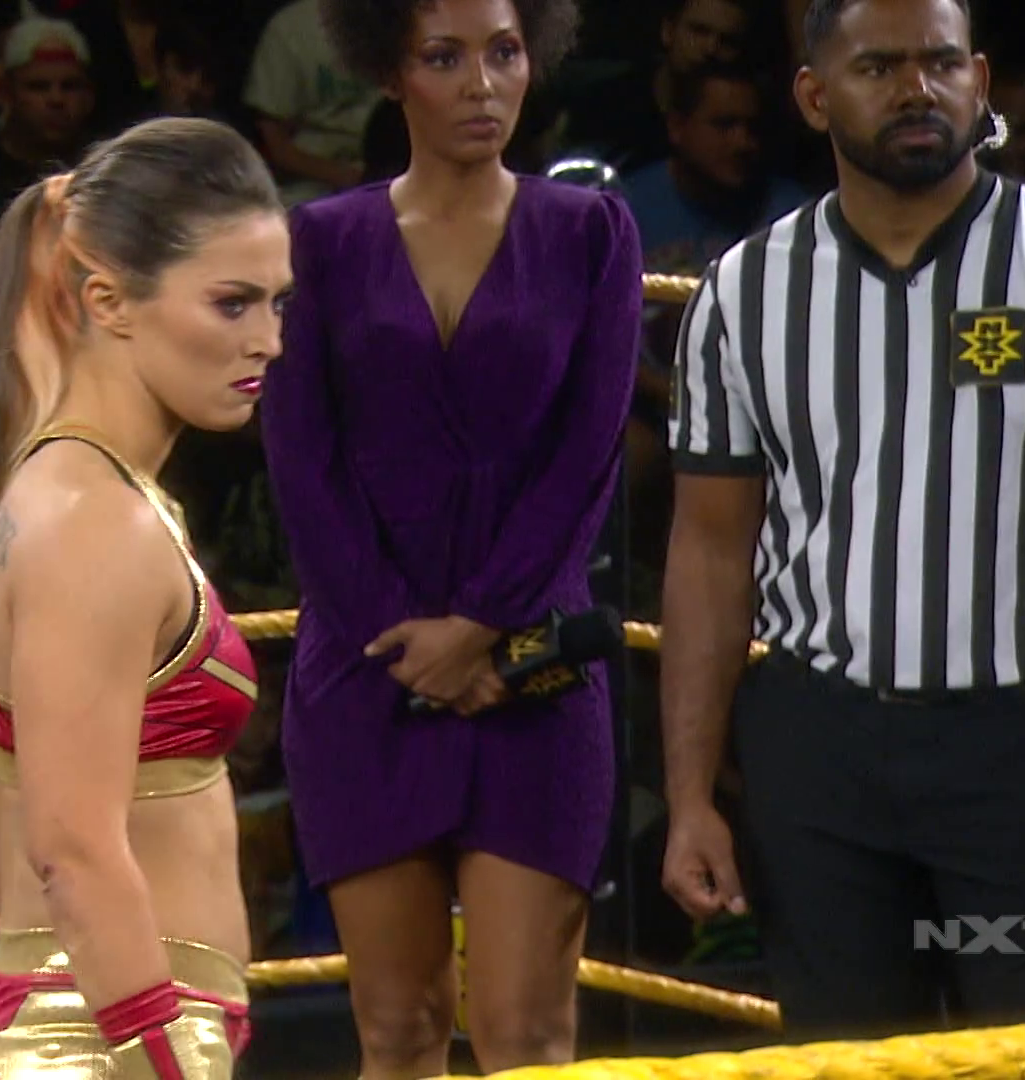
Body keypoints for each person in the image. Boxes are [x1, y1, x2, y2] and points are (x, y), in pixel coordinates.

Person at [663, 0, 1025, 1040]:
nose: (917, 89)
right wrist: (690, 797)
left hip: (1017, 760)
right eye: (879, 67)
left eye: (940, 63)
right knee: (845, 1056)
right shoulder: (743, 295)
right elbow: (708, 552)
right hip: (818, 756)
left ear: (979, 79)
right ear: (813, 95)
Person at [260, 0, 639, 1074]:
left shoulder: (590, 232)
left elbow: (588, 456)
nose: (482, 83)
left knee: (527, 1035)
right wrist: (407, 640)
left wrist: (478, 627)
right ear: (392, 74)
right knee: (399, 1031)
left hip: (531, 671)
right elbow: (302, 467)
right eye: (446, 57)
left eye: (504, 53)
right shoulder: (319, 243)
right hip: (368, 670)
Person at [0, 116, 291, 1080]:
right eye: (233, 304)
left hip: (86, 1025)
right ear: (111, 301)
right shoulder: (93, 523)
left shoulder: (31, 489)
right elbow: (73, 850)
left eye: (277, 303)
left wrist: (27, 961)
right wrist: (146, 1041)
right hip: (109, 1043)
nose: (270, 341)